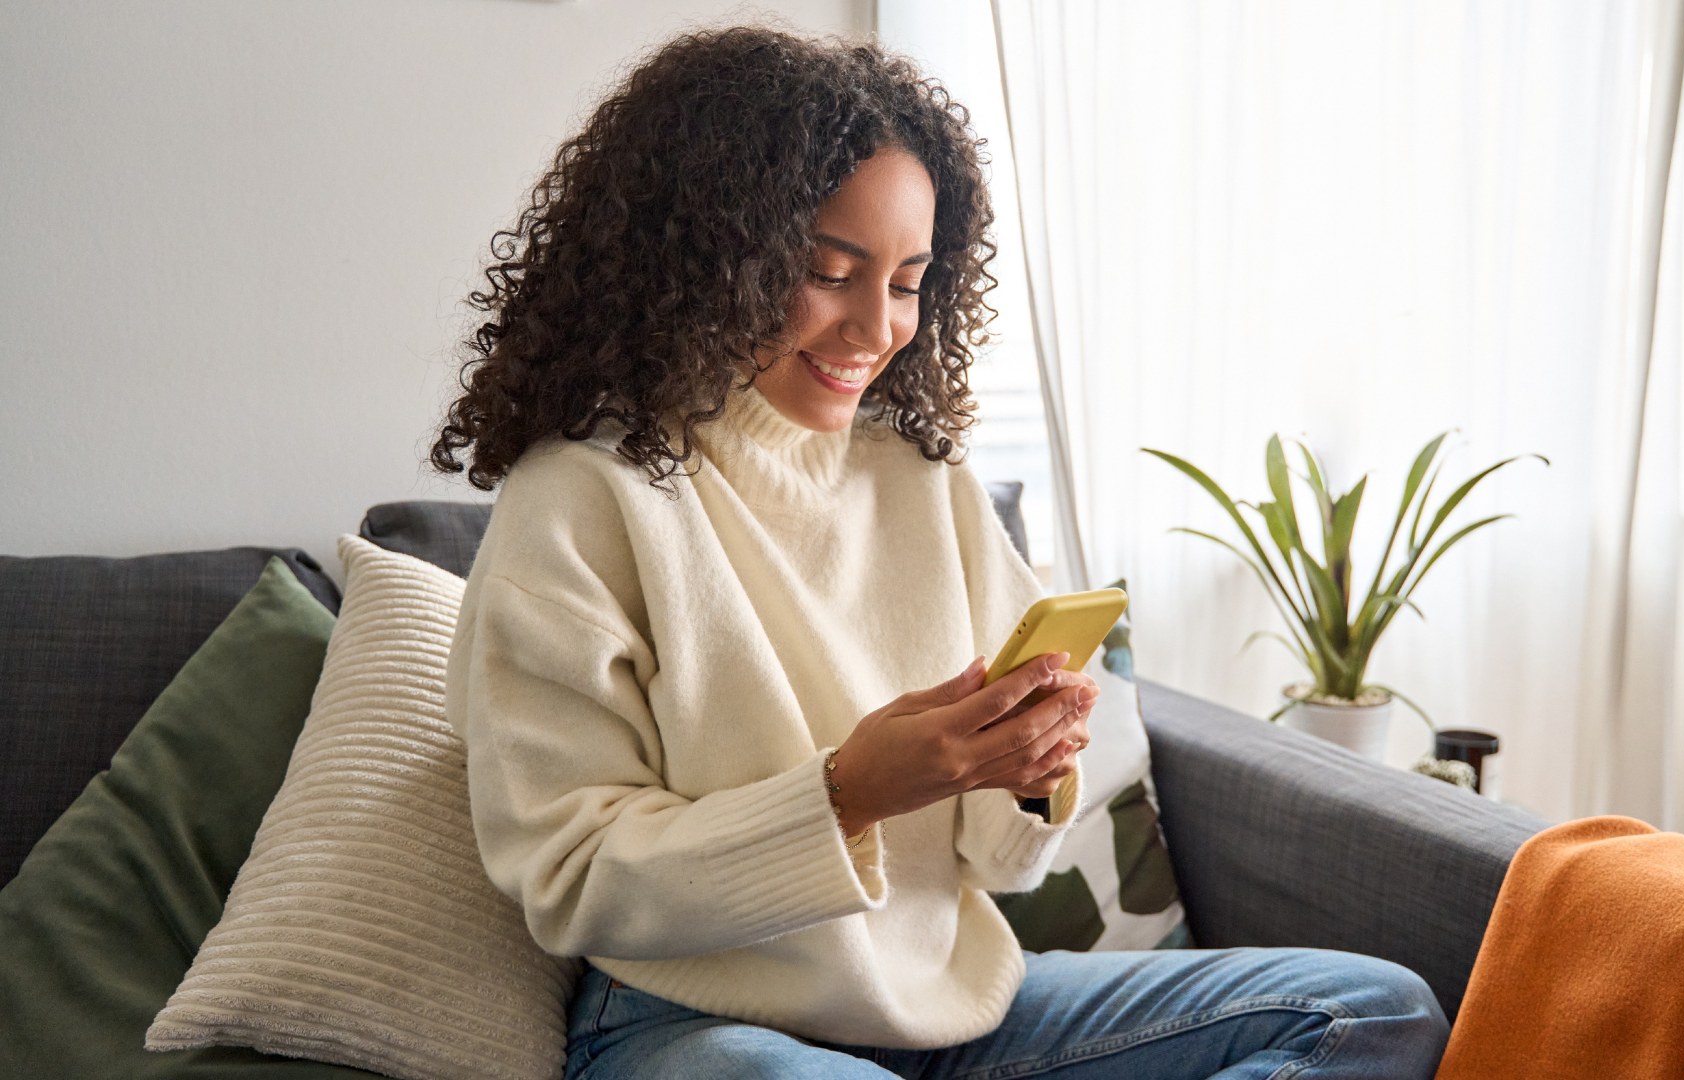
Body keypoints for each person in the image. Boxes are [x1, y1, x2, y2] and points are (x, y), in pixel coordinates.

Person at [431, 24, 1450, 1080]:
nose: (877, 328)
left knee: (1369, 1012)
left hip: (946, 1010)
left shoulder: (923, 479)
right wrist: (846, 793)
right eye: (829, 271)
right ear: (703, 260)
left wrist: (1024, 769)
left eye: (910, 280)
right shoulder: (582, 499)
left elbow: (993, 862)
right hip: (690, 1027)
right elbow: (569, 875)